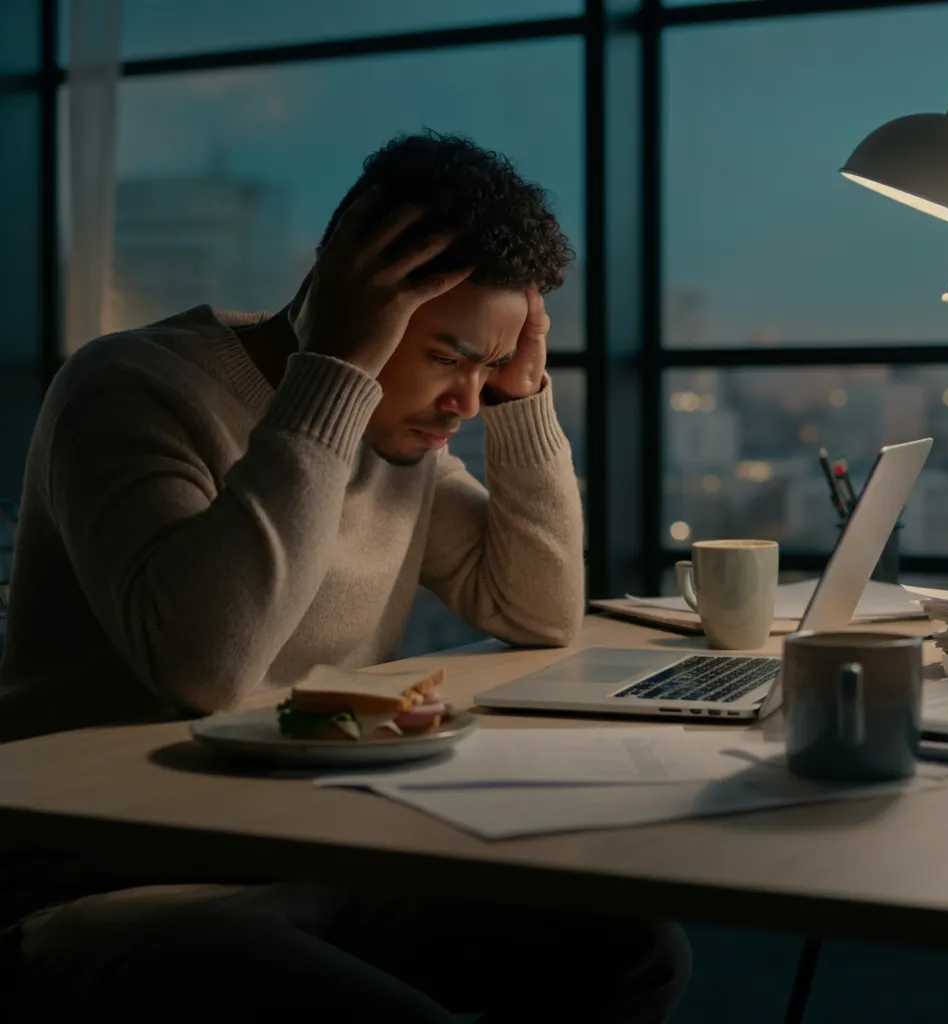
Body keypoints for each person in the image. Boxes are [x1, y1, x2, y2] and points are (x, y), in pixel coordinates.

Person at [0, 132, 691, 1021]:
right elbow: (204, 668)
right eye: (448, 357)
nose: (465, 403)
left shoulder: (388, 439)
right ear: (348, 297)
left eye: (489, 368)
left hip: (314, 849)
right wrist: (334, 372)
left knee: (633, 949)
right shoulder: (132, 388)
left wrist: (525, 398)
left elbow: (536, 608)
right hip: (99, 879)